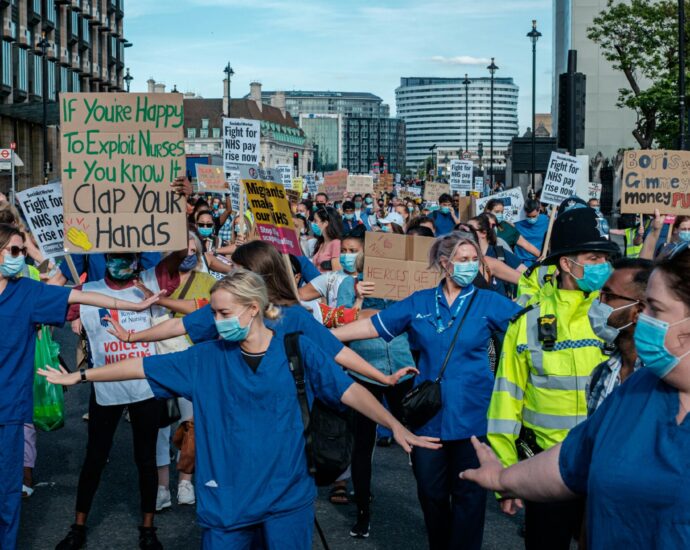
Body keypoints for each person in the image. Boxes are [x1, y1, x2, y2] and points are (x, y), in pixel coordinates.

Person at [40, 269, 441, 549]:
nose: (214, 322)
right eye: (213, 313)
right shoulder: (205, 358)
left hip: (287, 500)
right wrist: (82, 377)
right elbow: (142, 366)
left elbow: (350, 391)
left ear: (254, 309)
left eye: (223, 313)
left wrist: (394, 424)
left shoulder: (297, 350)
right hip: (226, 503)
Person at [461, 243, 690, 548]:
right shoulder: (635, 391)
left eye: (655, 309)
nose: (641, 315)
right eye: (644, 304)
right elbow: (570, 463)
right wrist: (503, 478)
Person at [332, 231, 521, 550]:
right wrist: (324, 335)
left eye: (474, 260)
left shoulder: (488, 302)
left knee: (469, 499)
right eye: (463, 260)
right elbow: (373, 326)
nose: (471, 266)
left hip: (472, 419)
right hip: (428, 422)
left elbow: (528, 326)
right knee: (431, 495)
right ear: (445, 264)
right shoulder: (419, 302)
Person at [0, 224, 162, 550]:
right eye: (14, 251)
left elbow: (81, 294)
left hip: (7, 411)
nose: (20, 258)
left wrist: (134, 306)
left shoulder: (28, 293)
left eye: (21, 251)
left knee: (5, 496)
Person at [487, 202, 620, 550]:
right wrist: (507, 477)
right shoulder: (527, 323)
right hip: (547, 471)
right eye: (593, 259)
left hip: (607, 470)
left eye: (605, 259)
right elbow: (506, 403)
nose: (602, 267)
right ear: (566, 263)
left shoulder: (618, 317)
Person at [586, 258, 652, 415]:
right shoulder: (600, 375)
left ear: (639, 311)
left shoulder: (661, 382)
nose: (598, 303)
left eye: (608, 296)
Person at [468, 214, 526, 297]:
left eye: (470, 230)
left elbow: (526, 278)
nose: (465, 234)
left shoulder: (499, 253)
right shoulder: (464, 257)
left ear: (483, 233)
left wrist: (518, 300)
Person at [513, 199, 549, 266]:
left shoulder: (545, 220)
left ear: (539, 211)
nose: (531, 219)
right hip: (522, 261)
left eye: (534, 216)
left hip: (539, 259)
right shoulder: (517, 222)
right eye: (528, 216)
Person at [311, 206, 343, 273]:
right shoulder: (321, 243)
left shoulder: (336, 243)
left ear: (325, 223)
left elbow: (336, 272)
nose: (312, 223)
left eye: (315, 221)